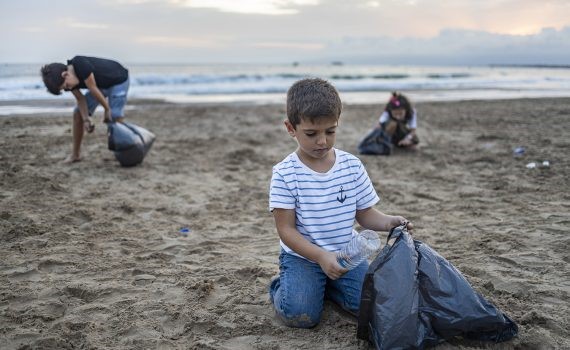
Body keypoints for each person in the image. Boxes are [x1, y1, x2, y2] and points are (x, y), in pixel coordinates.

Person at [268, 78, 413, 328]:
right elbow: (286, 230)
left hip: (348, 254)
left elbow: (365, 214)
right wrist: (321, 257)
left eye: (330, 131)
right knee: (301, 316)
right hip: (304, 257)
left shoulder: (351, 165)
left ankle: (326, 287)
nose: (322, 141)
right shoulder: (285, 173)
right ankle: (280, 285)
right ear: (291, 128)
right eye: (311, 134)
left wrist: (391, 222)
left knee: (370, 307)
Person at [41, 56, 130, 163]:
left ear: (65, 74)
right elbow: (80, 99)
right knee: (78, 113)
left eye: (66, 86)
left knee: (114, 116)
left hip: (118, 80)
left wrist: (107, 110)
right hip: (100, 86)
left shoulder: (80, 64)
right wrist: (86, 119)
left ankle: (123, 152)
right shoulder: (69, 81)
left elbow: (92, 88)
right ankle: (76, 155)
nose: (68, 89)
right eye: (65, 89)